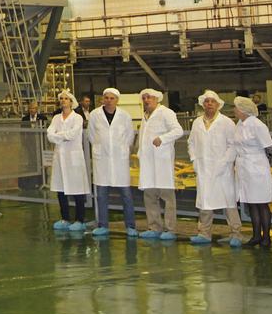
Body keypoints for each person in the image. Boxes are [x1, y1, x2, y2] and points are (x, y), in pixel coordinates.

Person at [188, 90, 243, 246]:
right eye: (206, 101)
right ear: (202, 104)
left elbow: (233, 145)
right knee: (205, 202)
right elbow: (191, 143)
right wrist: (194, 159)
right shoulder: (197, 122)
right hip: (203, 168)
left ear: (218, 104)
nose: (209, 104)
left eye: (212, 101)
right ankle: (204, 233)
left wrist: (224, 163)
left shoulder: (227, 122)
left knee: (228, 201)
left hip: (223, 170)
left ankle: (236, 234)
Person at [88, 87, 137, 237]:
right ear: (103, 99)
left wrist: (120, 148)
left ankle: (130, 226)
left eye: (112, 98)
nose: (109, 101)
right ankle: (103, 225)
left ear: (117, 100)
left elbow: (129, 136)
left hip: (119, 159)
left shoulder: (125, 116)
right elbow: (91, 135)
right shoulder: (94, 115)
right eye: (106, 98)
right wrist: (100, 147)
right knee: (101, 195)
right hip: (101, 159)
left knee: (126, 195)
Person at [137, 88, 183, 240]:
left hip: (162, 161)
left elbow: (178, 131)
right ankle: (154, 227)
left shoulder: (166, 112)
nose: (146, 100)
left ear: (157, 99)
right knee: (149, 196)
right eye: (144, 98)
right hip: (148, 162)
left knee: (167, 198)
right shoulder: (145, 116)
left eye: (149, 97)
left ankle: (170, 229)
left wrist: (162, 139)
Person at [233, 95, 272, 248]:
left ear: (243, 110)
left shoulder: (257, 125)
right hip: (244, 167)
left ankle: (266, 237)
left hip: (257, 167)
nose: (234, 110)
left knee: (261, 203)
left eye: (236, 108)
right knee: (251, 202)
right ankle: (256, 235)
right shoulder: (239, 124)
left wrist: (266, 167)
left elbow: (269, 148)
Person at [47, 90, 89, 231]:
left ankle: (80, 219)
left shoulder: (77, 118)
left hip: (73, 156)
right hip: (60, 157)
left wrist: (58, 135)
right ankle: (65, 218)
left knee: (77, 189)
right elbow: (49, 135)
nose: (63, 100)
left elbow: (73, 134)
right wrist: (60, 136)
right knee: (61, 189)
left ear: (72, 102)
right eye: (62, 98)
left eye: (66, 98)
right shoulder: (56, 118)